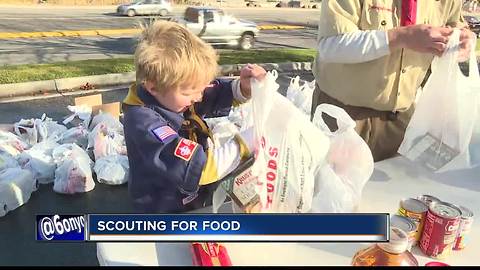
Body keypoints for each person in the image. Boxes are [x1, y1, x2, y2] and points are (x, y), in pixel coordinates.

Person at [122, 20, 266, 213]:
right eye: (191, 92)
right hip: (163, 211)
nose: (198, 97)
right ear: (153, 87)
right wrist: (247, 141)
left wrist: (243, 88)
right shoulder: (144, 123)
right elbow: (200, 169)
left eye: (201, 88)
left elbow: (212, 92)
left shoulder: (173, 92)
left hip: (195, 200)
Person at [311, 0, 475, 162]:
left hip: (403, 119)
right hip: (342, 117)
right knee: (334, 186)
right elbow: (330, 46)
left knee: (397, 186)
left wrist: (465, 41)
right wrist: (401, 37)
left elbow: (457, 27)